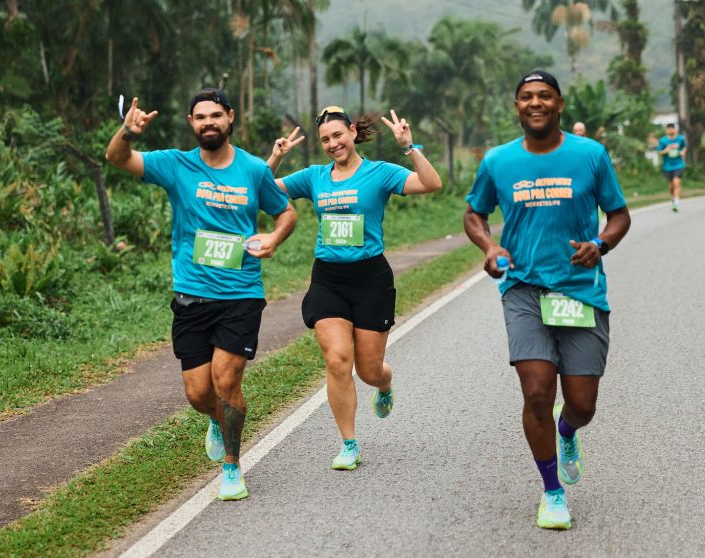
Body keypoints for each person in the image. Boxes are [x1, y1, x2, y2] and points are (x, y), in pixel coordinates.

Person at [105, 88, 297, 501]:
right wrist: (127, 131)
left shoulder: (253, 169)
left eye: (215, 115)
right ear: (192, 123)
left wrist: (275, 238)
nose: (208, 122)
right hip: (191, 297)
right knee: (198, 393)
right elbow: (118, 159)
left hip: (241, 293)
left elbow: (285, 211)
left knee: (226, 383)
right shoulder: (176, 165)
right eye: (200, 117)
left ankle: (231, 467)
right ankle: (219, 419)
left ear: (230, 117)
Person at [463, 70, 631, 530]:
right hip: (524, 288)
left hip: (580, 290)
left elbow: (618, 214)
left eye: (544, 96)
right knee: (537, 391)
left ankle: (568, 430)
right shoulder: (498, 161)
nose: (535, 103)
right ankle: (552, 492)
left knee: (582, 404)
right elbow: (475, 212)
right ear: (516, 106)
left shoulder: (590, 155)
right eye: (525, 97)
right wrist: (489, 247)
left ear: (559, 104)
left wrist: (602, 244)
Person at [266, 107, 442, 470]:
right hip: (328, 279)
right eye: (325, 140)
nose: (333, 144)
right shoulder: (314, 177)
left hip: (371, 280)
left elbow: (431, 184)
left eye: (337, 136)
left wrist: (409, 147)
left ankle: (384, 383)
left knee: (369, 370)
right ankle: (349, 443)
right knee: (337, 360)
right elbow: (258, 191)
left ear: (351, 132)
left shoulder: (380, 173)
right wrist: (275, 158)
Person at [657, 123, 687, 212]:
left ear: (675, 130)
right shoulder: (663, 141)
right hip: (668, 166)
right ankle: (673, 198)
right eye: (669, 129)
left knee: (676, 183)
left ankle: (676, 203)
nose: (671, 130)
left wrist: (682, 152)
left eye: (672, 129)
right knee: (671, 186)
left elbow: (684, 147)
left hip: (678, 164)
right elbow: (660, 152)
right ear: (667, 130)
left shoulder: (680, 139)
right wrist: (666, 150)